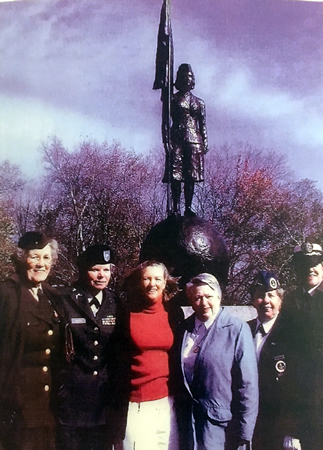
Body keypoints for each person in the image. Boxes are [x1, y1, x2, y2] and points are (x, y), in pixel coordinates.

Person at [54, 244, 120, 450]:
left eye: (106, 269)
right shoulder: (63, 300)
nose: (102, 275)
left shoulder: (116, 302)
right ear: (83, 270)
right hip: (72, 399)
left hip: (103, 400)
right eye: (95, 269)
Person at [180, 273, 258, 450]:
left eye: (208, 296)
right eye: (197, 297)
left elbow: (248, 384)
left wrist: (245, 433)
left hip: (221, 427)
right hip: (188, 425)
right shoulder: (184, 328)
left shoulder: (236, 329)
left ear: (219, 296)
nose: (204, 303)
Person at [0, 231, 60, 450]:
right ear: (21, 258)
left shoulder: (52, 296)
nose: (40, 264)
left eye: (46, 258)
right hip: (16, 405)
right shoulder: (6, 294)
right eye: (34, 257)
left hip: (48, 406)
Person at [120, 260, 182, 450]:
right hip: (138, 404)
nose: (152, 284)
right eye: (146, 278)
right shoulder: (126, 313)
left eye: (157, 279)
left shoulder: (174, 313)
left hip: (166, 402)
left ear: (165, 282)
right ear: (139, 282)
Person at [248, 270, 301, 450]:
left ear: (280, 300)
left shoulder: (292, 333)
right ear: (254, 300)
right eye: (261, 295)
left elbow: (298, 385)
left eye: (271, 295)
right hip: (250, 424)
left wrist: (292, 430)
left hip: (279, 425)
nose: (266, 301)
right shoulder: (242, 331)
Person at [283, 242, 323, 450]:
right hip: (303, 400)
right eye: (304, 264)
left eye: (315, 263)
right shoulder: (290, 302)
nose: (310, 268)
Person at [164, 63, 208, 216]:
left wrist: (205, 142)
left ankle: (188, 207)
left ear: (192, 80)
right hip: (177, 138)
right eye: (182, 77)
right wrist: (166, 141)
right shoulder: (172, 99)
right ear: (178, 79)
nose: (186, 80)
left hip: (194, 140)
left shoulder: (199, 103)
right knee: (176, 175)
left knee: (191, 176)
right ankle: (176, 207)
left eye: (188, 77)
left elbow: (202, 125)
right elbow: (165, 122)